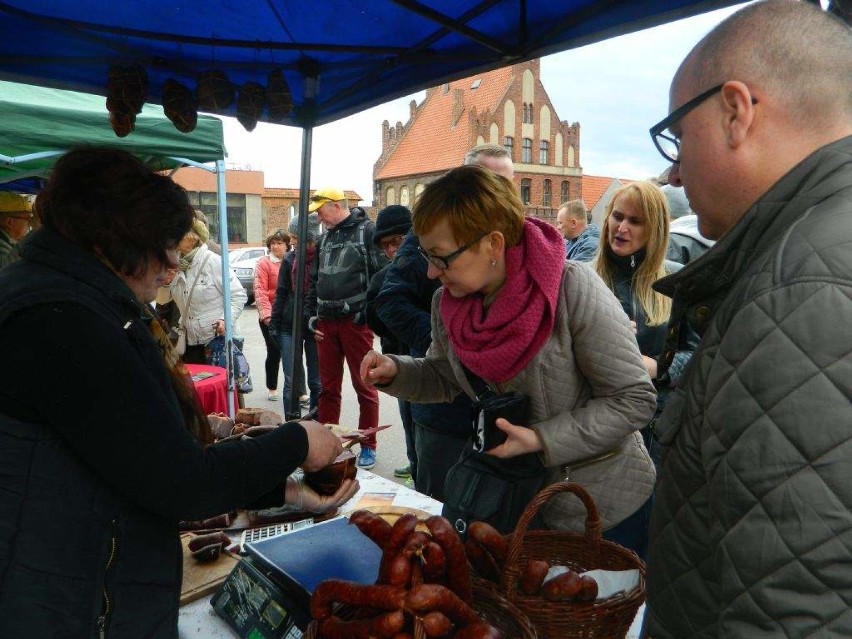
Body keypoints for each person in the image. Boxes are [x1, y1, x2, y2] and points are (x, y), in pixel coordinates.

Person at [0, 147, 358, 638]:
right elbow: (177, 480)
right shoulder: (61, 319)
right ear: (117, 237)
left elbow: (132, 453)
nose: (172, 263)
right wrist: (296, 442)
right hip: (68, 599)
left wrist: (283, 487)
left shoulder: (59, 296)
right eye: (166, 245)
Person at [643, 2, 852, 636]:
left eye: (679, 137)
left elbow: (798, 610)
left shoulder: (804, 286)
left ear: (737, 112)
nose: (675, 171)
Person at [361, 165, 657, 549]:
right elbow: (446, 377)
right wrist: (395, 372)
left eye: (443, 258)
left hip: (604, 509)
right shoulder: (447, 304)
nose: (433, 273)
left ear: (494, 245)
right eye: (426, 256)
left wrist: (541, 438)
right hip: (517, 505)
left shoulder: (573, 287)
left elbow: (634, 400)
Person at [592, 181, 699, 472]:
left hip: (654, 429)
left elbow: (701, 354)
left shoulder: (676, 281)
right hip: (594, 427)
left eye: (635, 221)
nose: (622, 227)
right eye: (617, 216)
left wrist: (657, 367)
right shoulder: (581, 277)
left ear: (655, 228)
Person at [306, 187, 388, 469]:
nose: (318, 216)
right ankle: (329, 444)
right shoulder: (325, 237)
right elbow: (314, 281)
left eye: (320, 210)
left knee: (364, 384)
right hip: (325, 324)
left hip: (355, 323)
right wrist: (312, 318)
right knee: (328, 390)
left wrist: (368, 314)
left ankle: (368, 445)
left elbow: (383, 276)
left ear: (336, 205)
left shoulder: (367, 231)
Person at [364, 205, 416, 480]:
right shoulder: (384, 278)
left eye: (398, 241)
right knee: (407, 416)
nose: (393, 250)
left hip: (428, 365)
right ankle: (413, 459)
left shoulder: (430, 273)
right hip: (399, 360)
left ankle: (420, 463)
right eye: (386, 245)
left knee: (424, 421)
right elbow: (375, 321)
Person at [170, 216, 247, 365]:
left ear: (192, 238)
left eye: (177, 235)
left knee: (216, 385)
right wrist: (166, 281)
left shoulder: (213, 261)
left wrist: (225, 320)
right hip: (188, 342)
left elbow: (238, 295)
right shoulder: (176, 264)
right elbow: (165, 300)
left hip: (214, 340)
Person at [270, 214, 322, 418]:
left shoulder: (321, 256)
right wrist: (274, 324)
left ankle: (315, 423)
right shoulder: (290, 258)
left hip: (313, 325)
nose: (291, 242)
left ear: (307, 237)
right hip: (288, 325)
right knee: (291, 381)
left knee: (316, 381)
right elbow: (281, 292)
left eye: (295, 237)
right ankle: (292, 425)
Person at [254, 230, 291, 401]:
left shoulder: (292, 261)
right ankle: (272, 386)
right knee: (274, 350)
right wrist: (267, 316)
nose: (275, 246)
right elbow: (260, 290)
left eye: (279, 243)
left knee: (292, 352)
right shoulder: (264, 263)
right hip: (270, 315)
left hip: (288, 313)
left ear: (287, 245)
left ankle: (298, 388)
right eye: (272, 243)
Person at [0, 191, 33, 268]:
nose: (30, 223)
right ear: (9, 222)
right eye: (28, 218)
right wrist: (37, 230)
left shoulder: (8, 241)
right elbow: (6, 269)